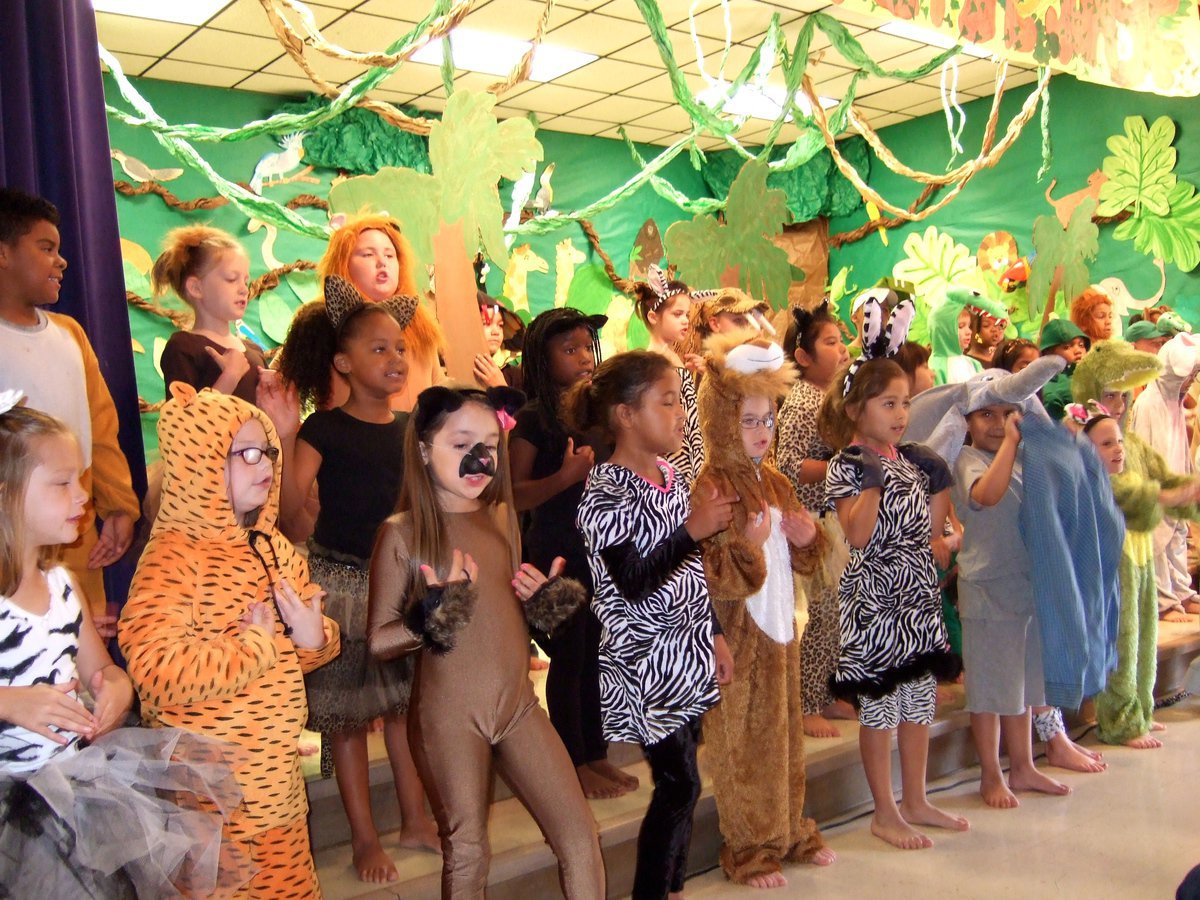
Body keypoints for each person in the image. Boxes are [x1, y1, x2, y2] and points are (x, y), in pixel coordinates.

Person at [368, 385, 605, 899]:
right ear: (426, 450)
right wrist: (430, 615)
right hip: (448, 719)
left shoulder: (499, 517)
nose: (479, 458)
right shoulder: (401, 534)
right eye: (461, 444)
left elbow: (507, 612)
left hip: (517, 706)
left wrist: (542, 602)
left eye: (490, 446)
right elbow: (380, 642)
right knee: (468, 849)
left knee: (580, 834)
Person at [119, 384, 340, 896]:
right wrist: (255, 650)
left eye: (265, 450)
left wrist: (316, 638)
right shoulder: (174, 558)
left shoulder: (272, 546)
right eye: (243, 454)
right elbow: (155, 669)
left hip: (275, 784)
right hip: (210, 798)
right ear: (199, 464)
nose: (263, 463)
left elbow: (305, 638)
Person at [266, 275, 439, 881]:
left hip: (400, 585)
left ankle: (416, 818)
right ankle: (365, 837)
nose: (395, 358)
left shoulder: (413, 426)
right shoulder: (324, 430)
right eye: (378, 349)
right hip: (340, 585)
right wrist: (286, 435)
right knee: (346, 721)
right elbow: (289, 515)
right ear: (343, 362)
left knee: (404, 711)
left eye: (399, 348)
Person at [571, 350, 736, 899]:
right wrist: (693, 529)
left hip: (686, 653)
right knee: (678, 782)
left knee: (685, 780)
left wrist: (714, 632)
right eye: (666, 403)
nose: (679, 415)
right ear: (625, 415)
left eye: (679, 403)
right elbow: (634, 582)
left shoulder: (670, 474)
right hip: (643, 664)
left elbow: (690, 569)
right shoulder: (606, 490)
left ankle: (672, 886)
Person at [816, 298, 966, 850]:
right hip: (875, 603)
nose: (902, 414)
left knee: (917, 702)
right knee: (880, 706)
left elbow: (926, 529)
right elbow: (857, 534)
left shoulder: (907, 459)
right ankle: (884, 809)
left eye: (904, 403)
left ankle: (917, 798)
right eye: (888, 404)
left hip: (916, 597)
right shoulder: (849, 465)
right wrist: (875, 480)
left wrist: (946, 538)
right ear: (857, 410)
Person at [694, 332, 836, 886]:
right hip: (738, 634)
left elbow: (805, 561)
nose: (761, 431)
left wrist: (807, 540)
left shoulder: (775, 480)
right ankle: (749, 846)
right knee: (742, 744)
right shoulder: (713, 485)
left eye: (767, 420)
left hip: (780, 628)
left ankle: (788, 827)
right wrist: (749, 549)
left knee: (783, 736)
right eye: (749, 421)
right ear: (724, 421)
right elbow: (709, 576)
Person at [510, 307, 636, 799]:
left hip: (595, 552)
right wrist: (564, 478)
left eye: (588, 347)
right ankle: (570, 762)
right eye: (570, 349)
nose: (584, 357)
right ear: (543, 359)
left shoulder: (596, 415)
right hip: (552, 554)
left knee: (592, 654)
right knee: (567, 657)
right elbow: (515, 493)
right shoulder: (532, 419)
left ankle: (595, 753)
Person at [0, 188, 139, 622]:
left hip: (74, 534)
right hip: (8, 538)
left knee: (84, 653)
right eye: (46, 248)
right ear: (3, 254)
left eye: (59, 250)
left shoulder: (70, 334)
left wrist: (119, 505)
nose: (61, 261)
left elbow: (100, 427)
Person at [945, 384, 1070, 807]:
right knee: (989, 688)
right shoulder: (966, 460)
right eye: (986, 415)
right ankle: (991, 773)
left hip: (1025, 582)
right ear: (966, 422)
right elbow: (987, 496)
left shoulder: (1021, 459)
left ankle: (1023, 764)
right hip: (987, 587)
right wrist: (1013, 444)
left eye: (1006, 414)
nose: (997, 425)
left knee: (1022, 682)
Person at [1072, 342, 1200, 748]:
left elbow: (1163, 477)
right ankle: (1119, 718)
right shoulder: (1086, 446)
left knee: (1145, 635)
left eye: (1123, 395)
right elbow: (1121, 491)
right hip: (1113, 557)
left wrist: (1188, 491)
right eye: (1110, 394)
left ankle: (1140, 708)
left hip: (1143, 554)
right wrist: (1167, 498)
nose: (1120, 403)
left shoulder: (1131, 444)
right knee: (1121, 641)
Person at [775, 301, 855, 738]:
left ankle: (825, 692)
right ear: (803, 357)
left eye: (841, 340)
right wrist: (844, 467)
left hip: (829, 516)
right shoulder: (804, 401)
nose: (841, 349)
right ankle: (805, 703)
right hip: (810, 518)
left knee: (837, 612)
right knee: (822, 613)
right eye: (830, 341)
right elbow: (787, 464)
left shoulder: (830, 397)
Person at [315, 213, 446, 412]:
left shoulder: (419, 324)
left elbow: (438, 384)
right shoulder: (322, 325)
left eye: (389, 255)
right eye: (368, 254)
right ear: (344, 262)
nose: (382, 262)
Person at [152, 225, 265, 403]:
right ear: (196, 288)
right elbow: (182, 425)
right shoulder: (184, 348)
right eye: (231, 279)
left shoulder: (255, 352)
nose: (244, 289)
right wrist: (229, 377)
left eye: (245, 280)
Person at [630, 264, 711, 484]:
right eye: (677, 314)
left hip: (691, 450)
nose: (685, 320)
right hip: (673, 458)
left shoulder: (672, 357)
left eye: (687, 314)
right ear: (654, 317)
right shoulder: (652, 363)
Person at [1038, 318, 1091, 421]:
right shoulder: (1050, 384)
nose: (1078, 351)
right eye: (1067, 347)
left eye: (1081, 345)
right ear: (1049, 352)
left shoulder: (1091, 376)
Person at [472, 289, 524, 390]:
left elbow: (523, 406)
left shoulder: (515, 376)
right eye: (486, 323)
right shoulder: (451, 369)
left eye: (500, 325)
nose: (496, 332)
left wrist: (501, 387)